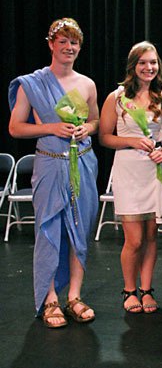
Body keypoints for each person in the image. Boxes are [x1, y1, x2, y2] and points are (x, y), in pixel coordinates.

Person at [8, 18, 99, 327]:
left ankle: (74, 295)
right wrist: (51, 127)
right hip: (49, 161)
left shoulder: (87, 84)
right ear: (51, 44)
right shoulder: (31, 83)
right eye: (63, 41)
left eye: (74, 42)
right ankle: (50, 300)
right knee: (49, 231)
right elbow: (15, 127)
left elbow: (97, 122)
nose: (69, 47)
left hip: (83, 163)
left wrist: (87, 127)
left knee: (79, 230)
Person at [99, 41, 162, 313]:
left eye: (152, 62)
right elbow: (105, 137)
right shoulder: (116, 98)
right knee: (135, 239)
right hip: (129, 170)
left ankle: (147, 289)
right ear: (133, 66)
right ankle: (129, 290)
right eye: (142, 63)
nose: (148, 67)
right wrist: (130, 140)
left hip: (155, 172)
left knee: (152, 236)